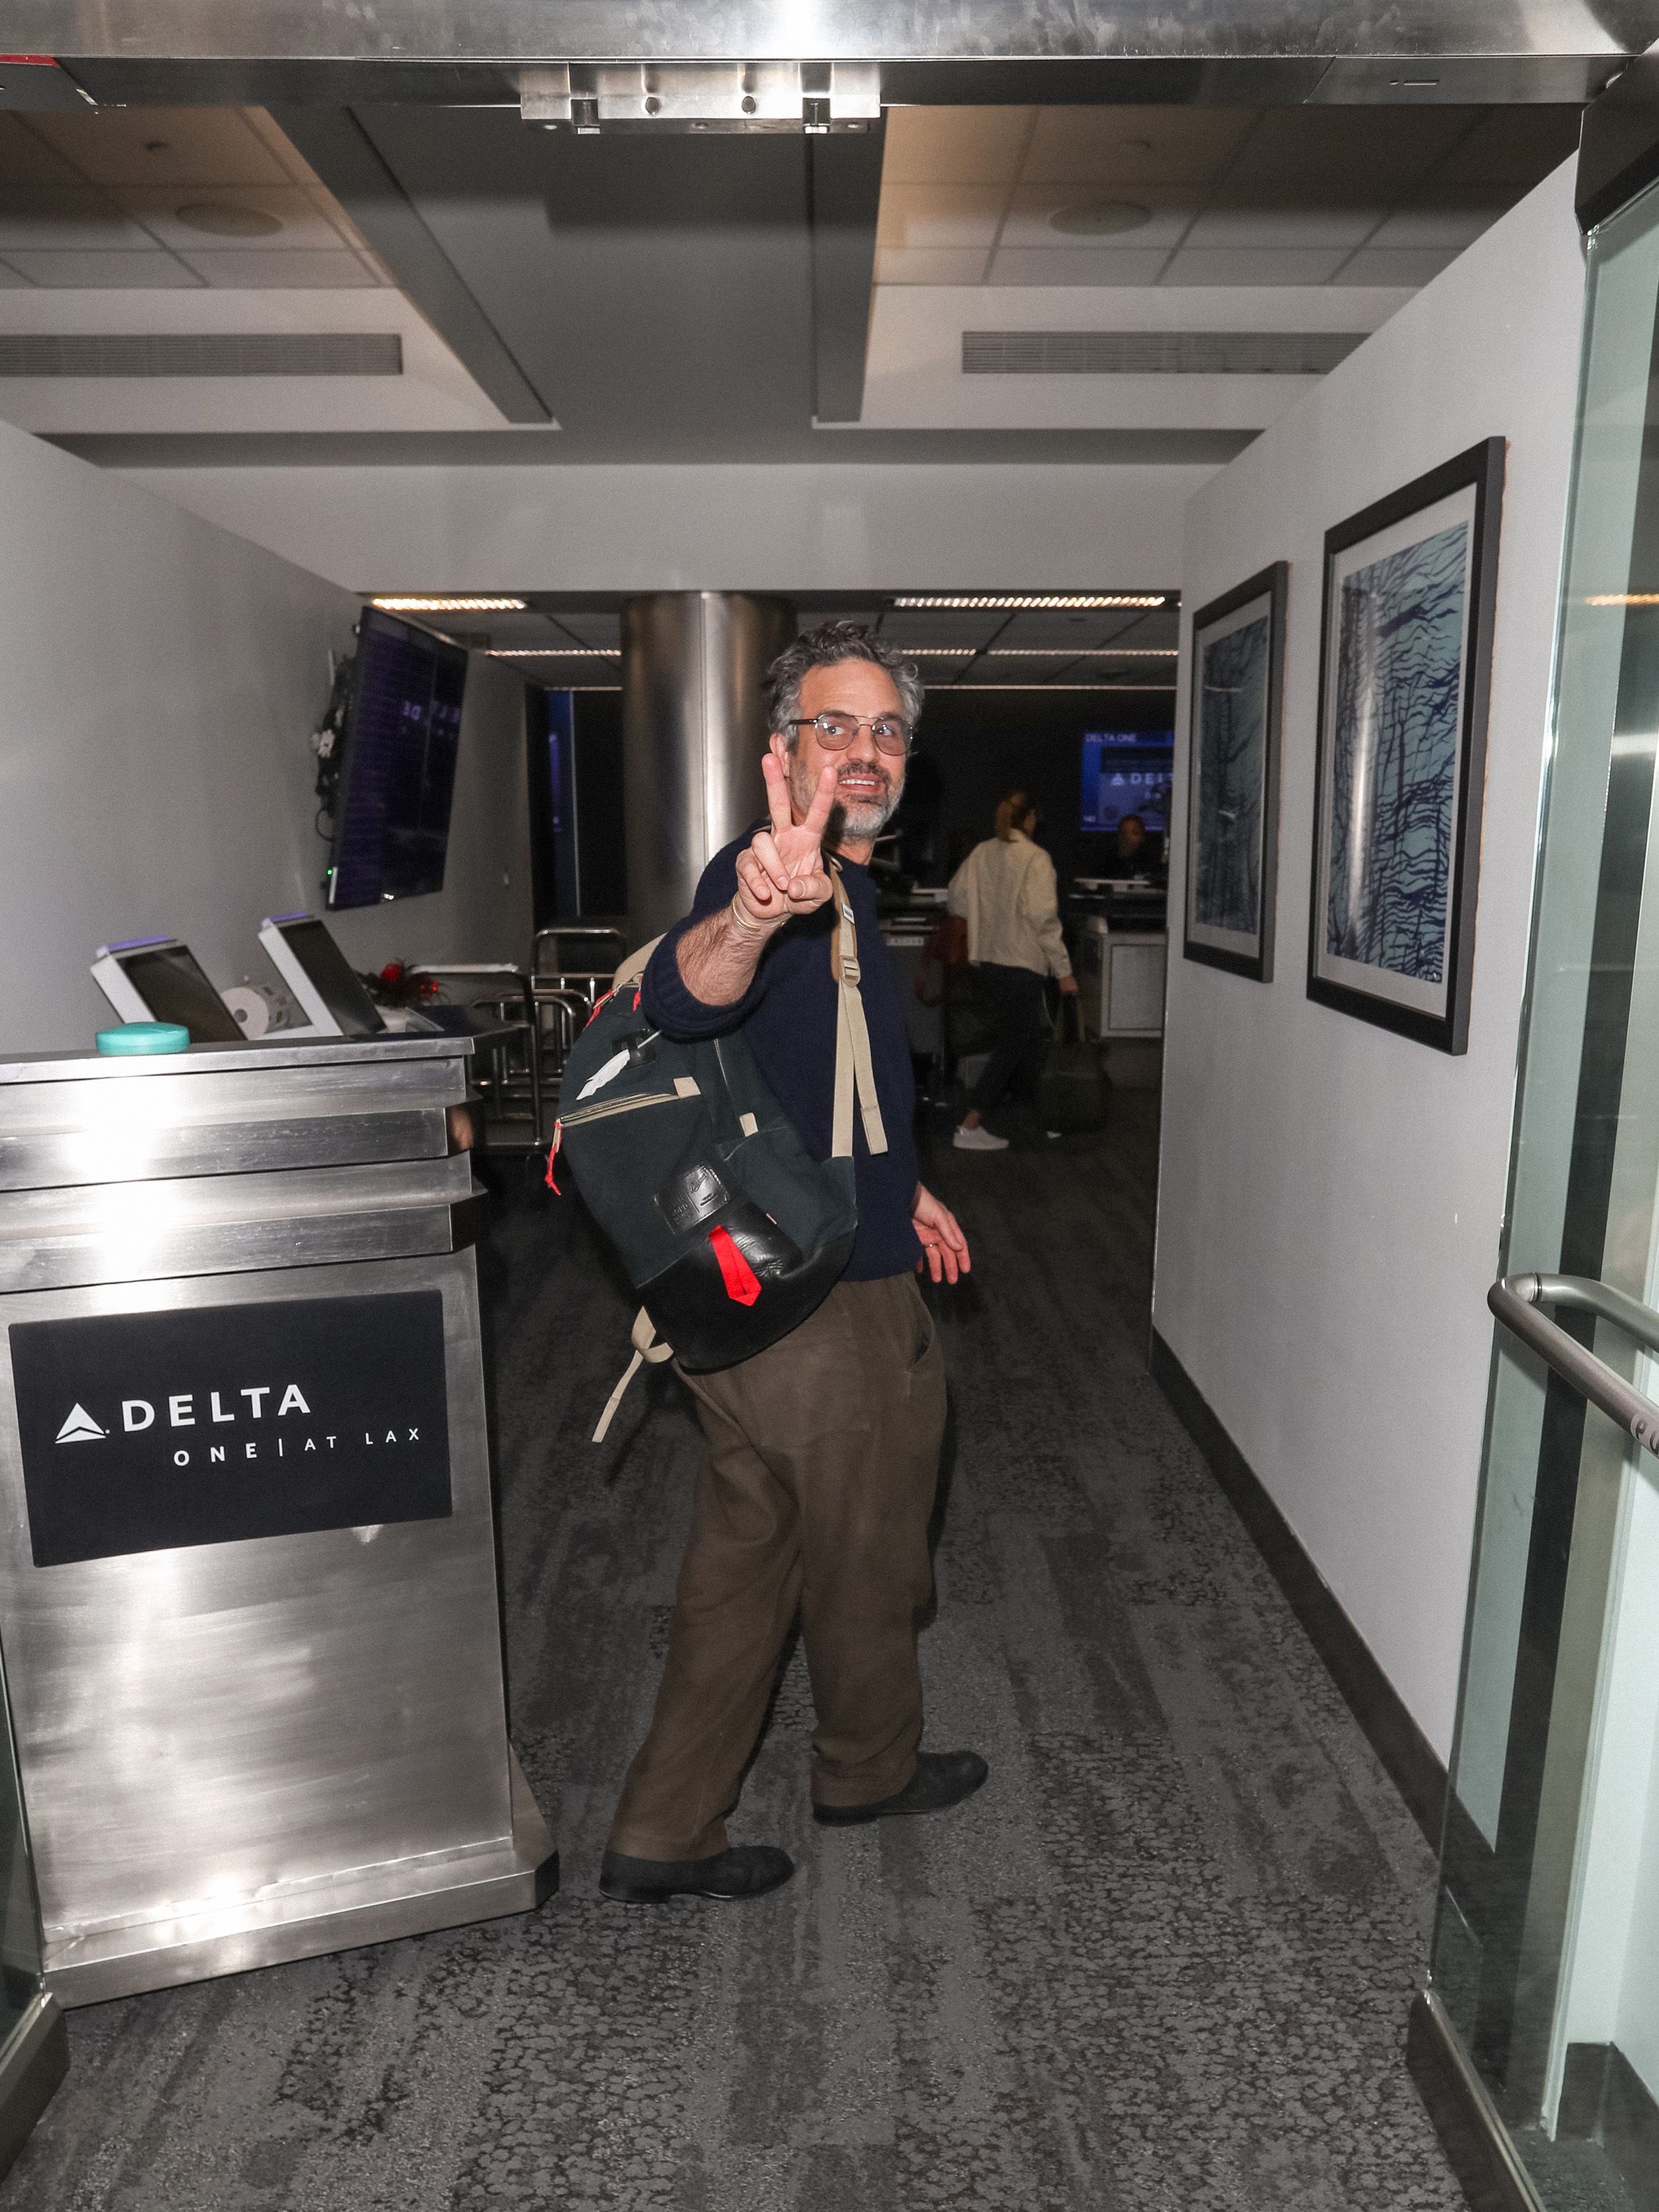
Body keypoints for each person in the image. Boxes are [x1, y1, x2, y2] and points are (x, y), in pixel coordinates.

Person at [599, 621, 989, 1908]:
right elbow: (688, 999)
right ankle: (866, 1770)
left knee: (744, 1557)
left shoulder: (861, 889)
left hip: (778, 1274)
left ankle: (665, 1828)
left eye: (886, 730)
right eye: (837, 726)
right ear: (785, 747)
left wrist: (911, 1186)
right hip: (815, 1300)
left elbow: (822, 1083)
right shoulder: (769, 877)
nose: (864, 751)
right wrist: (757, 909)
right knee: (872, 1545)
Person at [945, 791, 1077, 1153]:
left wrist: (988, 917)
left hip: (990, 960)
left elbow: (956, 897)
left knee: (1022, 1042)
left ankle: (1049, 1117)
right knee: (1014, 1043)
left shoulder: (982, 852)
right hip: (1024, 962)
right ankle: (970, 1123)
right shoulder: (1035, 858)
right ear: (1031, 818)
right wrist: (1063, 969)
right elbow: (1043, 918)